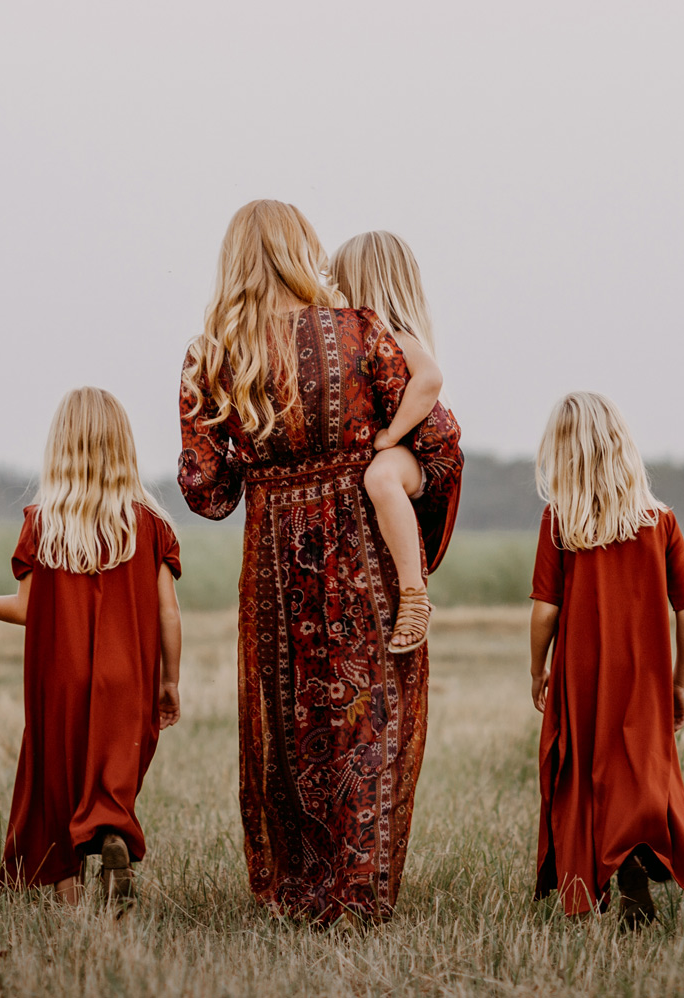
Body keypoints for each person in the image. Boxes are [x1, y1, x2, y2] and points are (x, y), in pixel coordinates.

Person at [178, 199, 463, 923]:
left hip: (274, 560)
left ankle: (293, 891)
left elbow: (207, 491)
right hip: (361, 553)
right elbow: (440, 433)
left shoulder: (210, 357)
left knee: (286, 720)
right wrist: (383, 459)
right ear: (303, 251)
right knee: (367, 713)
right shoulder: (363, 329)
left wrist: (263, 464)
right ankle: (360, 892)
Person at [0, 387, 182, 905]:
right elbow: (168, 613)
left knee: (56, 777)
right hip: (128, 681)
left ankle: (65, 890)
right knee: (113, 773)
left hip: (61, 679)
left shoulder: (44, 524)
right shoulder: (151, 525)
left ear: (60, 448)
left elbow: (26, 611)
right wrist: (169, 682)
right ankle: (113, 829)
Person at [528, 391, 684, 926]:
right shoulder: (660, 521)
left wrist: (536, 669)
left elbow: (546, 610)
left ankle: (586, 883)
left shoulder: (560, 521)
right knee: (639, 775)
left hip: (581, 677)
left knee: (582, 774)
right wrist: (680, 681)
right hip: (647, 677)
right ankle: (634, 856)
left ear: (562, 453)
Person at [330, 231, 455, 653]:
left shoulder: (397, 336)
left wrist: (391, 435)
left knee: (381, 478)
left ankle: (414, 597)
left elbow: (431, 379)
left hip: (425, 450)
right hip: (410, 445)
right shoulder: (362, 343)